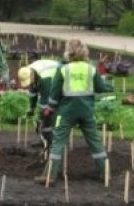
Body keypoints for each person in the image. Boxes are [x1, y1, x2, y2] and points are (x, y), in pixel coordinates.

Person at [34, 39, 114, 185]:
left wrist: (49, 110)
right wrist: (110, 86)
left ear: (68, 53)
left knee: (57, 143)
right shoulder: (91, 69)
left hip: (66, 112)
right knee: (95, 143)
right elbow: (101, 87)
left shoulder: (63, 70)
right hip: (87, 112)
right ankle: (105, 174)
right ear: (85, 52)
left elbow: (54, 94)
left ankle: (50, 177)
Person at [18, 59, 61, 153]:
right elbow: (33, 93)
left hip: (60, 80)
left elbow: (47, 101)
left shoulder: (45, 78)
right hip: (47, 78)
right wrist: (31, 109)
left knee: (50, 116)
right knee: (43, 117)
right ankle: (44, 139)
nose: (29, 83)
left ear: (32, 75)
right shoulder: (28, 71)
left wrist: (43, 116)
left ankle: (53, 142)